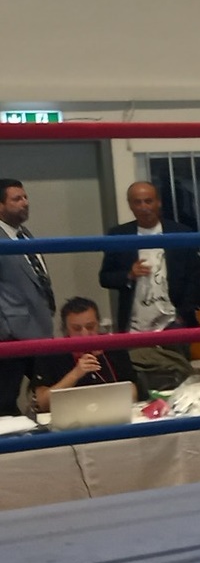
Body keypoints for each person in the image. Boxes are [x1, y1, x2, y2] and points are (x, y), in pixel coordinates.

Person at [97, 180, 200, 392]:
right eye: (138, 202)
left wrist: (183, 314)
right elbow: (105, 277)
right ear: (130, 205)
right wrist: (128, 275)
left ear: (158, 202)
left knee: (180, 379)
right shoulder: (119, 235)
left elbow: (194, 278)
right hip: (135, 325)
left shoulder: (180, 233)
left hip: (173, 323)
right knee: (139, 382)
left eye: (148, 201)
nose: (144, 207)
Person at [0, 178, 55, 415]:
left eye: (25, 197)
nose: (25, 203)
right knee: (5, 398)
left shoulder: (24, 234)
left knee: (50, 390)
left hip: (39, 328)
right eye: (16, 199)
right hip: (11, 334)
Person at [31, 296, 142, 413]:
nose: (85, 334)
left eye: (90, 327)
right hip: (68, 415)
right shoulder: (51, 354)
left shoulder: (114, 348)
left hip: (111, 412)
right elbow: (43, 404)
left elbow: (133, 395)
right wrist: (75, 374)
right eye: (76, 329)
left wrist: (102, 363)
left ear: (98, 325)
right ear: (66, 330)